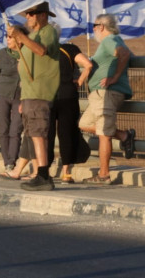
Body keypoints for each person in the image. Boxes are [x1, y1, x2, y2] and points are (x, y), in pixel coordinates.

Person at [8, 2, 60, 191]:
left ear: (43, 15)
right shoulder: (34, 35)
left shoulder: (48, 32)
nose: (28, 17)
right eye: (27, 14)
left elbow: (41, 50)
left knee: (39, 134)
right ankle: (40, 172)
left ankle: (44, 175)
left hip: (40, 93)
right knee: (34, 134)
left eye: (32, 13)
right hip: (30, 94)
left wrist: (21, 36)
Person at [79, 13, 136, 185]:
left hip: (107, 93)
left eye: (94, 26)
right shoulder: (116, 40)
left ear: (102, 27)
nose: (94, 30)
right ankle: (124, 136)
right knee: (84, 124)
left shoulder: (109, 40)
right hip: (100, 94)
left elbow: (124, 54)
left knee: (104, 134)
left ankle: (103, 174)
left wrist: (114, 77)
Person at [47, 39, 93, 183]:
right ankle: (66, 172)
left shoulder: (42, 49)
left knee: (47, 134)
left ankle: (45, 170)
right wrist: (79, 81)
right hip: (69, 95)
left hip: (48, 95)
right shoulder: (69, 49)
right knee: (66, 133)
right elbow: (88, 65)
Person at [0, 29, 24, 175]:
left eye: (10, 37)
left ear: (19, 39)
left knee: (15, 130)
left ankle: (12, 161)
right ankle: (7, 162)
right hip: (2, 94)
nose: (7, 39)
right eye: (7, 37)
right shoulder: (2, 53)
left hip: (20, 96)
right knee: (3, 129)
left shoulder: (26, 54)